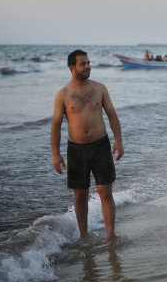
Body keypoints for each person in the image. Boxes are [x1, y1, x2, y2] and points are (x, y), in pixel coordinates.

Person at [51, 49, 124, 242]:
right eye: (83, 63)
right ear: (72, 67)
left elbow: (112, 115)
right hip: (76, 150)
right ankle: (84, 236)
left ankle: (110, 236)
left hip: (101, 145)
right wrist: (56, 154)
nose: (88, 66)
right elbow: (56, 125)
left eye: (89, 62)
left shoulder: (100, 88)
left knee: (105, 193)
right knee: (81, 196)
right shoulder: (63, 94)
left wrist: (118, 140)